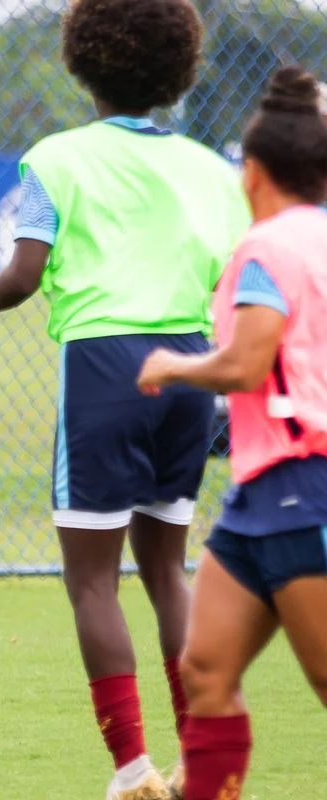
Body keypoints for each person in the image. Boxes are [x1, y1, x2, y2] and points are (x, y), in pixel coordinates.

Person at [0, 1, 251, 796]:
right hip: (189, 369)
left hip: (104, 370)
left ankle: (133, 769)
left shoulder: (56, 157)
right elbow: (234, 281)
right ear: (178, 66)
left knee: (91, 580)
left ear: (81, 60)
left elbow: (24, 274)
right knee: (168, 571)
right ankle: (199, 764)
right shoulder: (213, 173)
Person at [137, 65, 327, 800]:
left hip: (302, 487)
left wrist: (172, 367)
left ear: (251, 172)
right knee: (206, 669)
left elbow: (249, 363)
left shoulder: (268, 247)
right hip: (259, 496)